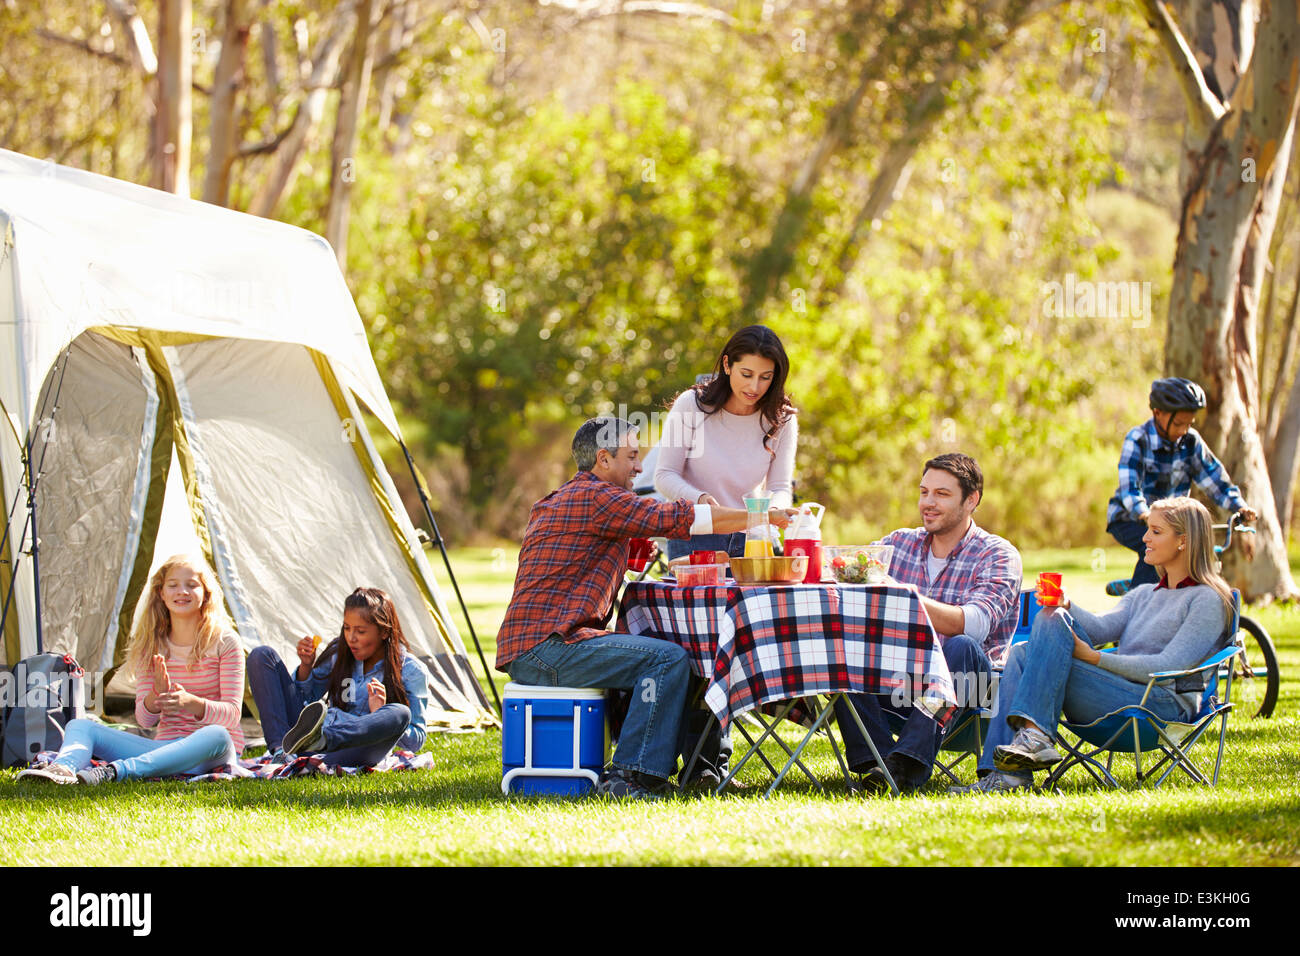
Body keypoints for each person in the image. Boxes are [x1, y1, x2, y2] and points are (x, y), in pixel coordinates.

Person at [497, 415, 794, 799]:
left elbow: (586, 554)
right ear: (603, 459)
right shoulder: (598, 497)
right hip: (550, 649)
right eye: (632, 456)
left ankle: (664, 764)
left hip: (535, 645)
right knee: (666, 659)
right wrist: (763, 515)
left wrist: (630, 550)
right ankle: (629, 776)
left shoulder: (568, 496)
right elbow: (684, 518)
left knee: (659, 650)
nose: (640, 467)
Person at [957, 496, 1235, 793]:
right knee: (1035, 638)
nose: (1144, 538)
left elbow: (1169, 665)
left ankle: (1022, 757)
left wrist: (1095, 659)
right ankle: (1009, 770)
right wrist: (1066, 605)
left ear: (1183, 541)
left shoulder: (1207, 600)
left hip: (1160, 706)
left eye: (1156, 531)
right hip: (1118, 694)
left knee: (1032, 650)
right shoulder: (1143, 594)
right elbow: (1101, 628)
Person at [833, 453, 1022, 794]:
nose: (928, 503)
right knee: (844, 644)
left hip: (969, 689)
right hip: (896, 684)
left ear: (972, 500)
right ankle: (877, 763)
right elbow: (850, 586)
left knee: (961, 644)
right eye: (924, 492)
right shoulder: (896, 544)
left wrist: (902, 596)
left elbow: (974, 626)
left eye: (942, 494)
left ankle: (904, 765)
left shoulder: (998, 553)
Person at [17, 554, 243, 785]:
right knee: (80, 724)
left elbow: (233, 715)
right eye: (173, 585)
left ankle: (116, 771)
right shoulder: (151, 644)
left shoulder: (225, 641)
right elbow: (144, 721)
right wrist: (155, 698)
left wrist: (190, 702)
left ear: (206, 593)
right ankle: (63, 769)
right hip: (161, 749)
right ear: (161, 594)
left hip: (210, 752)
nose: (182, 591)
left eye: (192, 585)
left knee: (217, 734)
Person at [655, 324, 798, 561]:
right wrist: (699, 498)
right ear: (727, 365)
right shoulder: (691, 405)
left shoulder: (782, 418)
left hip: (753, 539)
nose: (754, 387)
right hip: (696, 535)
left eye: (765, 377)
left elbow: (780, 487)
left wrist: (773, 512)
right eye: (746, 374)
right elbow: (664, 475)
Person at [246, 587, 432, 766]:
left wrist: (379, 714)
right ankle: (281, 753)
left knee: (400, 713)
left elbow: (416, 741)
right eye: (346, 628)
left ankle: (323, 741)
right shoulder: (339, 654)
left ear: (384, 632)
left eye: (360, 631)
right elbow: (305, 701)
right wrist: (306, 666)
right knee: (262, 656)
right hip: (311, 738)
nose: (351, 638)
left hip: (356, 749)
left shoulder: (412, 670)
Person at [1106, 377, 1256, 595]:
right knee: (1154, 544)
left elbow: (1213, 478)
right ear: (1158, 413)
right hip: (1129, 519)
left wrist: (1238, 506)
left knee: (1186, 554)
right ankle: (1138, 596)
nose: (1184, 430)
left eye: (1188, 424)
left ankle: (1147, 587)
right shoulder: (1138, 439)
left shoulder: (1191, 442)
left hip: (1171, 522)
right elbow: (1130, 488)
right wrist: (1145, 514)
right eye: (1178, 424)